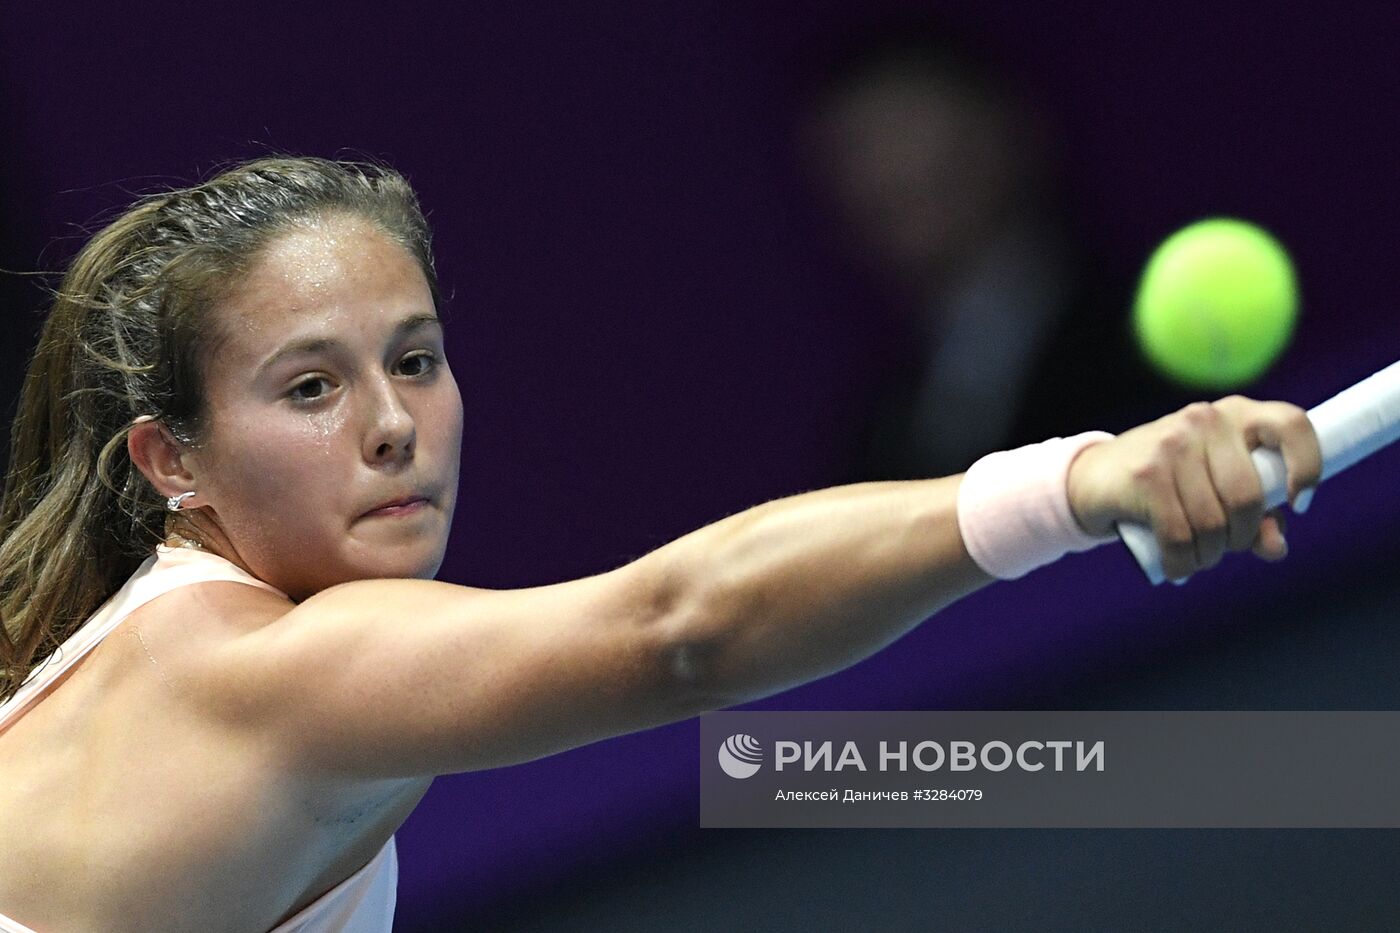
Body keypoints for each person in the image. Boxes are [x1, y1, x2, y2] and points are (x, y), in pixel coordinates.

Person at [0, 156, 1320, 932]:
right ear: (170, 460)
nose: (395, 424)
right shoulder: (279, 671)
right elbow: (674, 630)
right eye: (310, 388)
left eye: (415, 359)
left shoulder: (99, 678)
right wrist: (1083, 481)